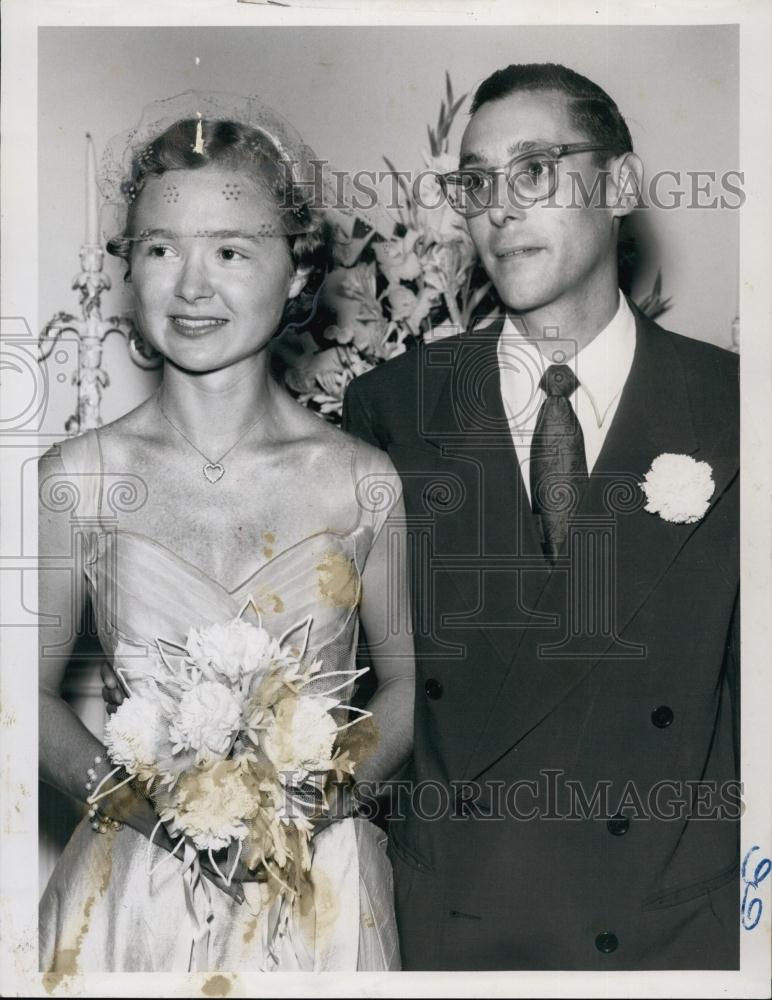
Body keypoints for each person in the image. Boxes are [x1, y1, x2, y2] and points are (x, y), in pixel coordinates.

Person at [342, 63, 740, 970]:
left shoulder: (733, 407)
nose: (499, 208)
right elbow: (380, 690)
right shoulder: (394, 408)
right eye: (476, 182)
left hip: (676, 935)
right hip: (461, 930)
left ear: (622, 185)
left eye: (535, 170)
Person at [38, 92, 414, 973]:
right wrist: (159, 818)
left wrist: (311, 807)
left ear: (296, 274)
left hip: (322, 896)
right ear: (128, 270)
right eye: (160, 249)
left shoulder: (362, 480)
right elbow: (26, 699)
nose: (192, 285)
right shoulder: (75, 479)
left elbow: (403, 698)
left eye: (232, 251)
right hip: (132, 892)